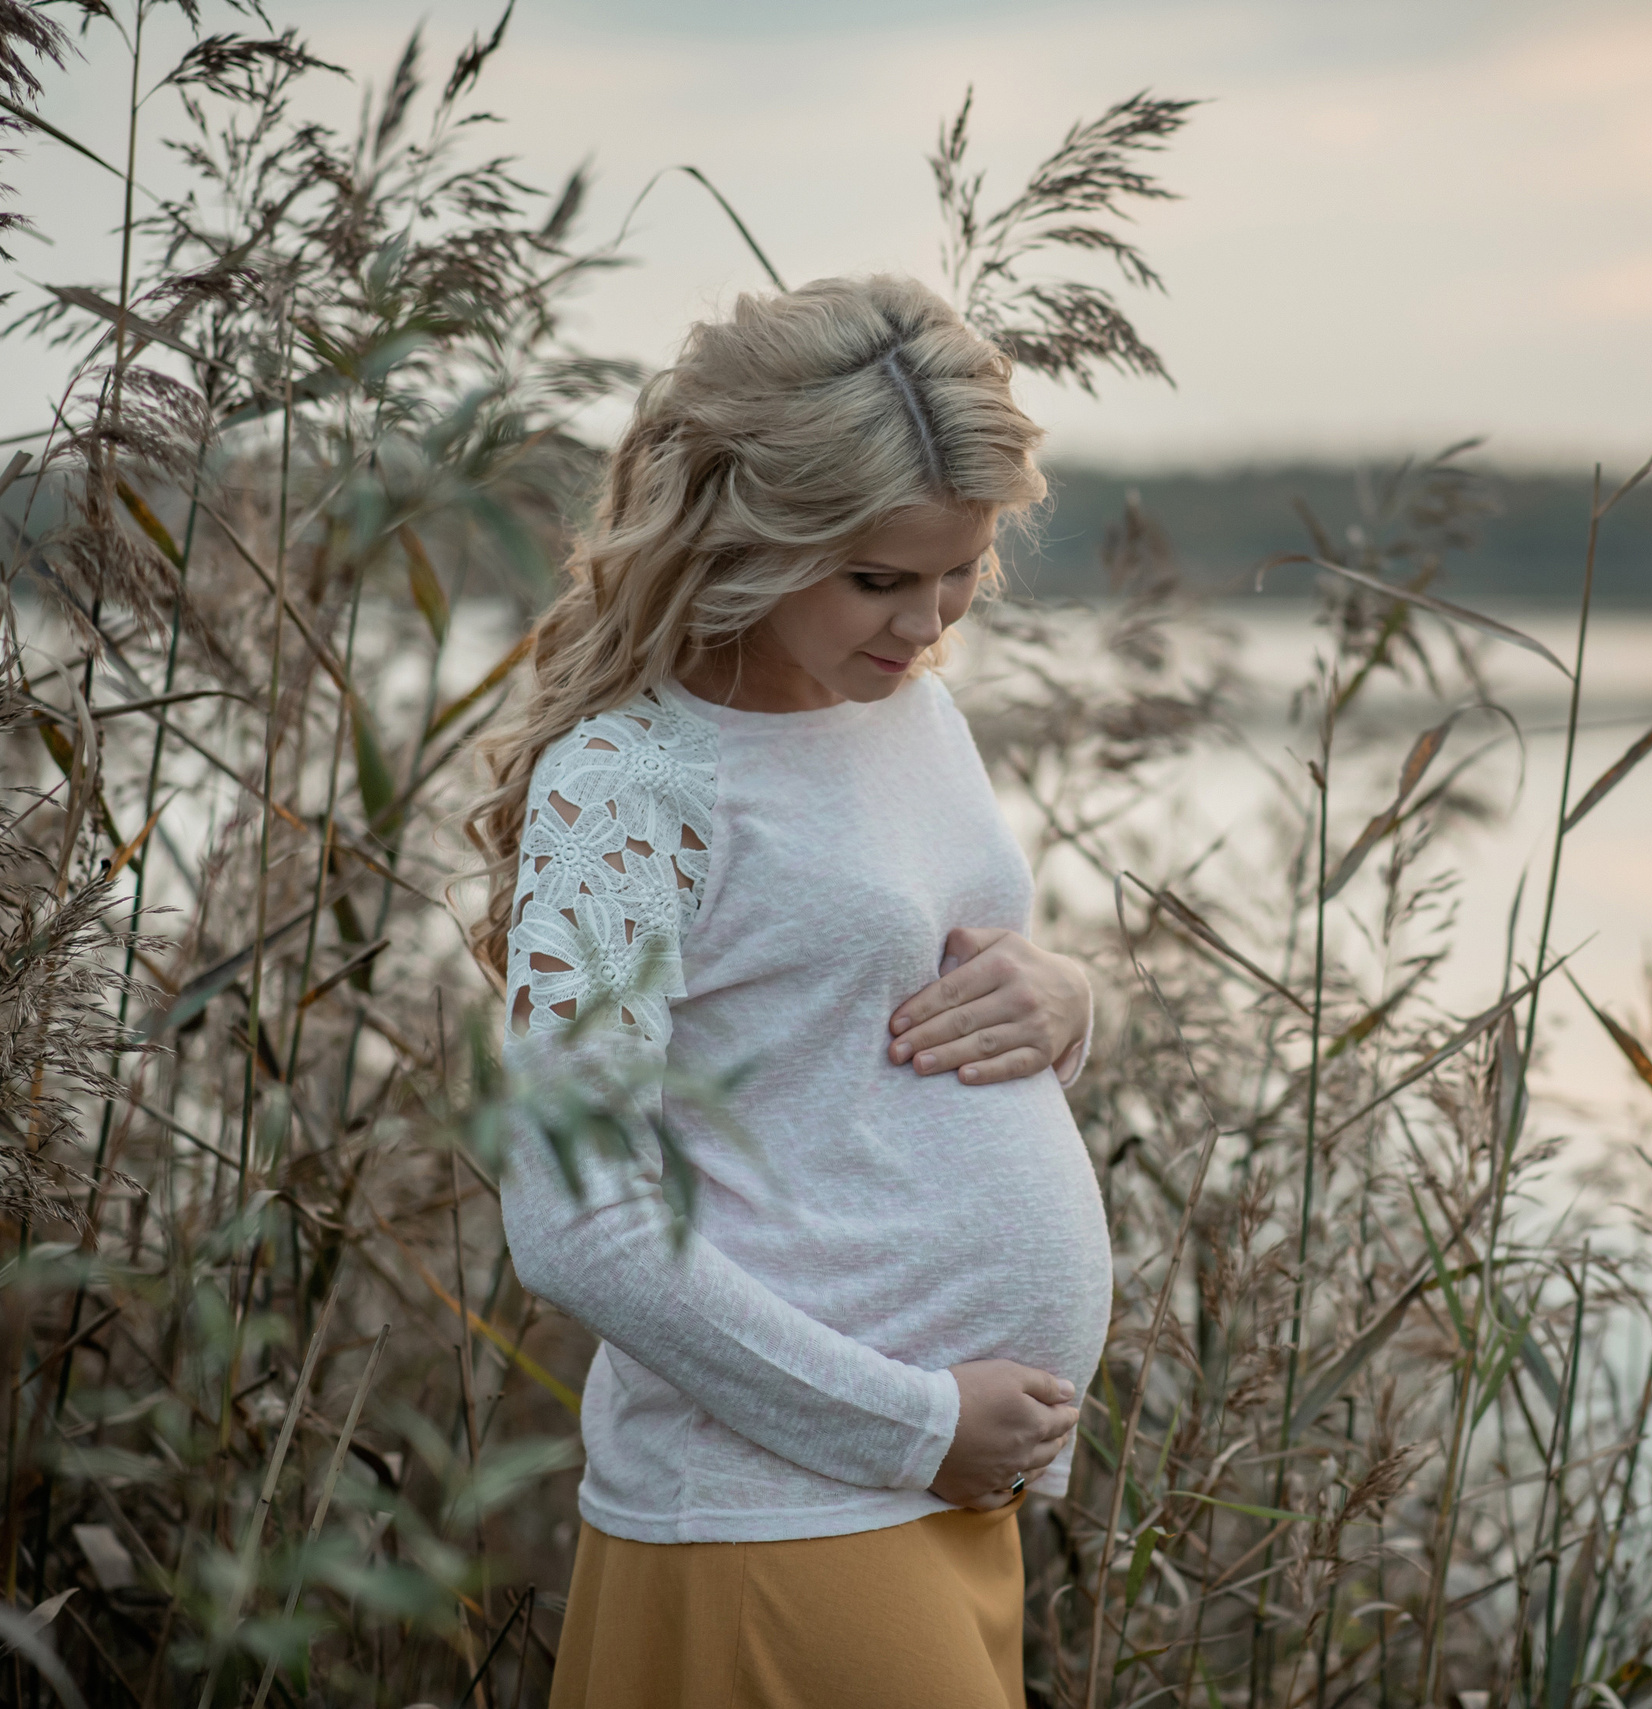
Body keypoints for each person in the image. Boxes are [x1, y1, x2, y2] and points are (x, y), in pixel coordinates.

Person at [465, 275, 1111, 1709]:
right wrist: (912, 1420)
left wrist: (1070, 1001)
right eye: (878, 577)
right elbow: (574, 1215)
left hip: (940, 1505)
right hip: (783, 1508)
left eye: (960, 567)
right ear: (743, 533)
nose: (928, 622)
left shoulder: (914, 712)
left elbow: (890, 1017)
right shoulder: (637, 785)